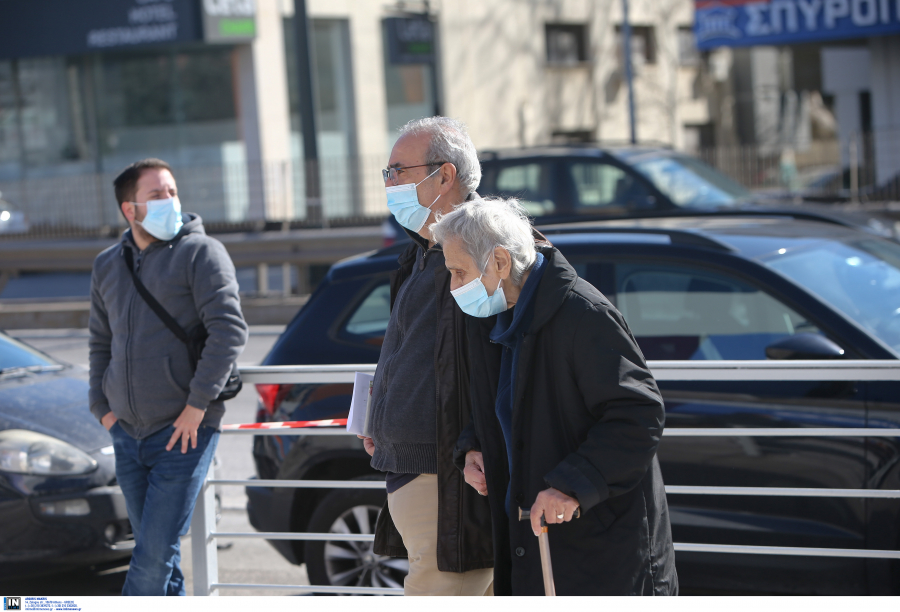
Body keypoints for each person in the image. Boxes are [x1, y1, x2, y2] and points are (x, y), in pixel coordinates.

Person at [432, 197, 678, 596]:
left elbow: (638, 415)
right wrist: (473, 447)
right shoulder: (494, 316)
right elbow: (506, 404)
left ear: (499, 262)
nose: (454, 286)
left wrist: (571, 484)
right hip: (535, 541)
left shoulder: (584, 315)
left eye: (459, 272)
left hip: (601, 551)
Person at [89, 158, 248, 596]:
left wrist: (197, 406)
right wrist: (101, 409)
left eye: (172, 192)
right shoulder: (107, 264)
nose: (170, 201)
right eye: (157, 195)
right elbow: (99, 342)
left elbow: (229, 330)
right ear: (130, 209)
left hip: (184, 432)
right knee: (159, 557)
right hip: (126, 433)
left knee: (152, 557)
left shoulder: (201, 252)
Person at [357, 117, 495, 595]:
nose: (389, 182)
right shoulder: (421, 251)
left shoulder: (483, 249)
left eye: (398, 170)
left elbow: (493, 362)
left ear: (444, 175)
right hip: (415, 465)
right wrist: (379, 416)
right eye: (387, 173)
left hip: (449, 469)